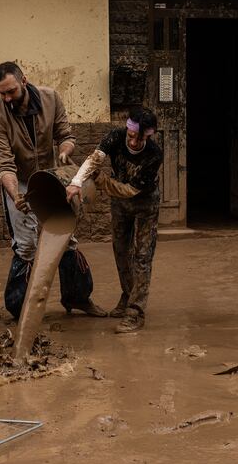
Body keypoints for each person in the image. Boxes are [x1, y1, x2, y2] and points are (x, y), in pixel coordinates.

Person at [0, 61, 106, 319]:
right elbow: (3, 163)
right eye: (2, 93)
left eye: (11, 91)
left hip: (50, 176)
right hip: (18, 181)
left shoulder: (51, 98)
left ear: (24, 81)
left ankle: (78, 299)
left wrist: (65, 151)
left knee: (66, 238)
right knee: (26, 245)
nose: (7, 98)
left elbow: (66, 135)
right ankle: (20, 310)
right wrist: (15, 195)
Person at [65, 107, 163, 333]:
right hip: (119, 205)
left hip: (144, 203)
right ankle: (127, 295)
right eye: (131, 136)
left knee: (142, 256)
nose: (135, 142)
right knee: (120, 250)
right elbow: (95, 158)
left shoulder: (154, 155)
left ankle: (136, 312)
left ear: (149, 135)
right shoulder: (116, 136)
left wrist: (101, 181)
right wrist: (77, 181)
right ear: (127, 130)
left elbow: (130, 190)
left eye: (141, 138)